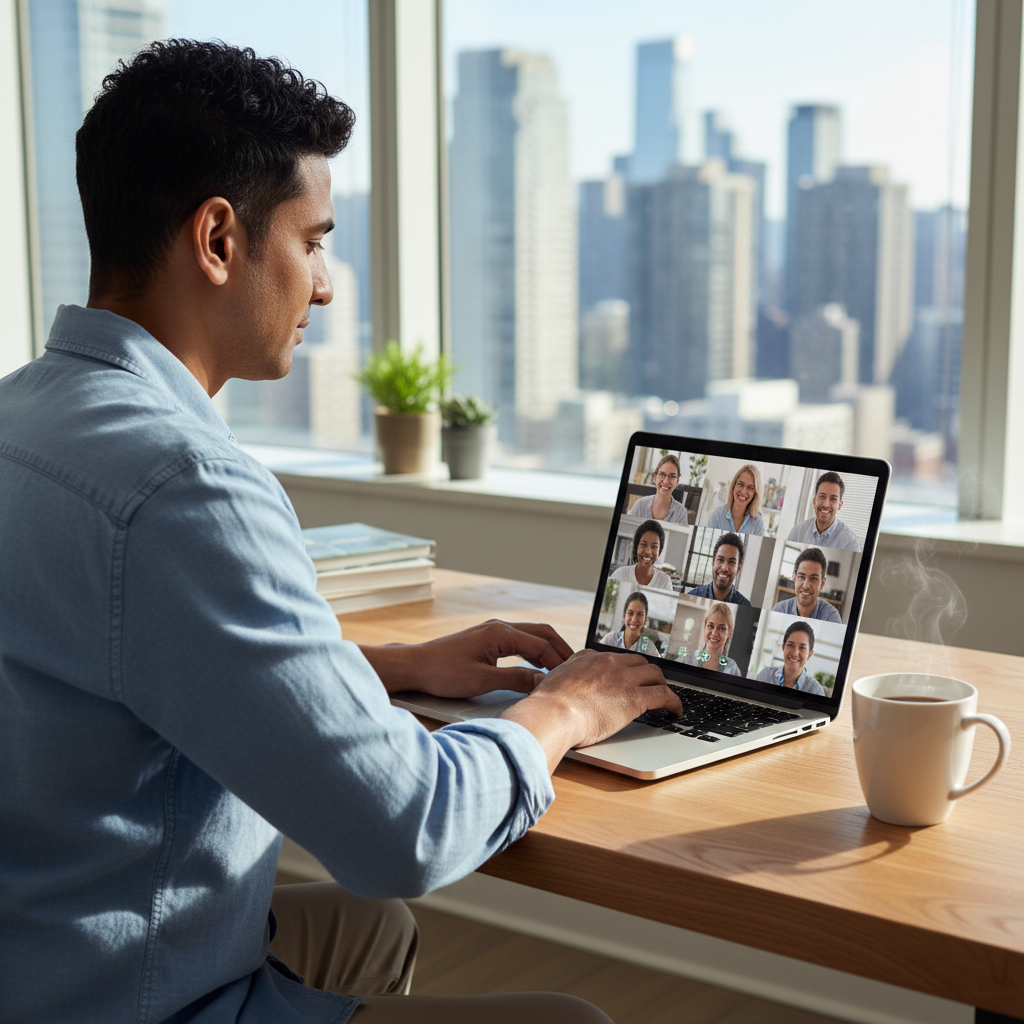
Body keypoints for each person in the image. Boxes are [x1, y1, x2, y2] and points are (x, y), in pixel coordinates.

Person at [0, 41, 684, 1024]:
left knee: (371, 931)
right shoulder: (183, 485)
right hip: (126, 998)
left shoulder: (25, 417)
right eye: (313, 241)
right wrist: (566, 710)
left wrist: (391, 664)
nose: (323, 285)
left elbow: (122, 653)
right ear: (219, 239)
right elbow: (403, 831)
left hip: (38, 947)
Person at [787, 471, 863, 552]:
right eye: (822, 496)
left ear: (840, 505)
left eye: (833, 499)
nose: (826, 504)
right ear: (814, 500)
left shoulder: (850, 543)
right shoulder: (797, 532)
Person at [772, 547, 841, 623]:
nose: (805, 585)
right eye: (801, 577)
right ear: (794, 579)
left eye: (813, 578)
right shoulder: (779, 610)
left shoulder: (831, 617)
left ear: (822, 583)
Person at [754, 622, 826, 695]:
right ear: (783, 647)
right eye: (790, 645)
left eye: (802, 648)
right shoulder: (765, 676)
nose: (794, 653)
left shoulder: (816, 691)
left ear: (810, 654)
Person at [675, 602, 742, 676]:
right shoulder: (686, 660)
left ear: (729, 633)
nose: (714, 633)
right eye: (710, 626)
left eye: (721, 628)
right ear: (704, 627)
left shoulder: (732, 669)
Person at [686, 532, 752, 606]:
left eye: (731, 562)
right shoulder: (692, 595)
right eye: (720, 560)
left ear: (738, 569)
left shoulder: (745, 605)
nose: (724, 568)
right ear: (713, 563)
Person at [610, 519, 674, 592]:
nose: (648, 551)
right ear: (636, 546)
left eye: (654, 546)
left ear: (660, 549)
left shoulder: (664, 581)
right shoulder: (620, 574)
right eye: (643, 544)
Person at [706, 464, 766, 535]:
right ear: (734, 486)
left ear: (755, 493)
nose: (743, 492)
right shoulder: (717, 515)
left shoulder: (757, 522)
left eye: (750, 488)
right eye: (740, 484)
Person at [628, 453, 688, 524]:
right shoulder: (640, 505)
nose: (666, 481)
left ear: (677, 481)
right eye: (662, 474)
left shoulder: (681, 512)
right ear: (655, 478)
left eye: (672, 476)